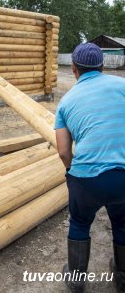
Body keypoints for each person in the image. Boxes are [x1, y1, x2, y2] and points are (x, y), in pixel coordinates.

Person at [54, 42, 125, 293]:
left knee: (80, 222)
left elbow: (63, 151)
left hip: (87, 179)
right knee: (122, 222)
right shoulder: (122, 86)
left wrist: (77, 175)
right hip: (123, 175)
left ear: (73, 69)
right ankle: (122, 277)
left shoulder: (65, 101)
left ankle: (76, 281)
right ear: (103, 66)